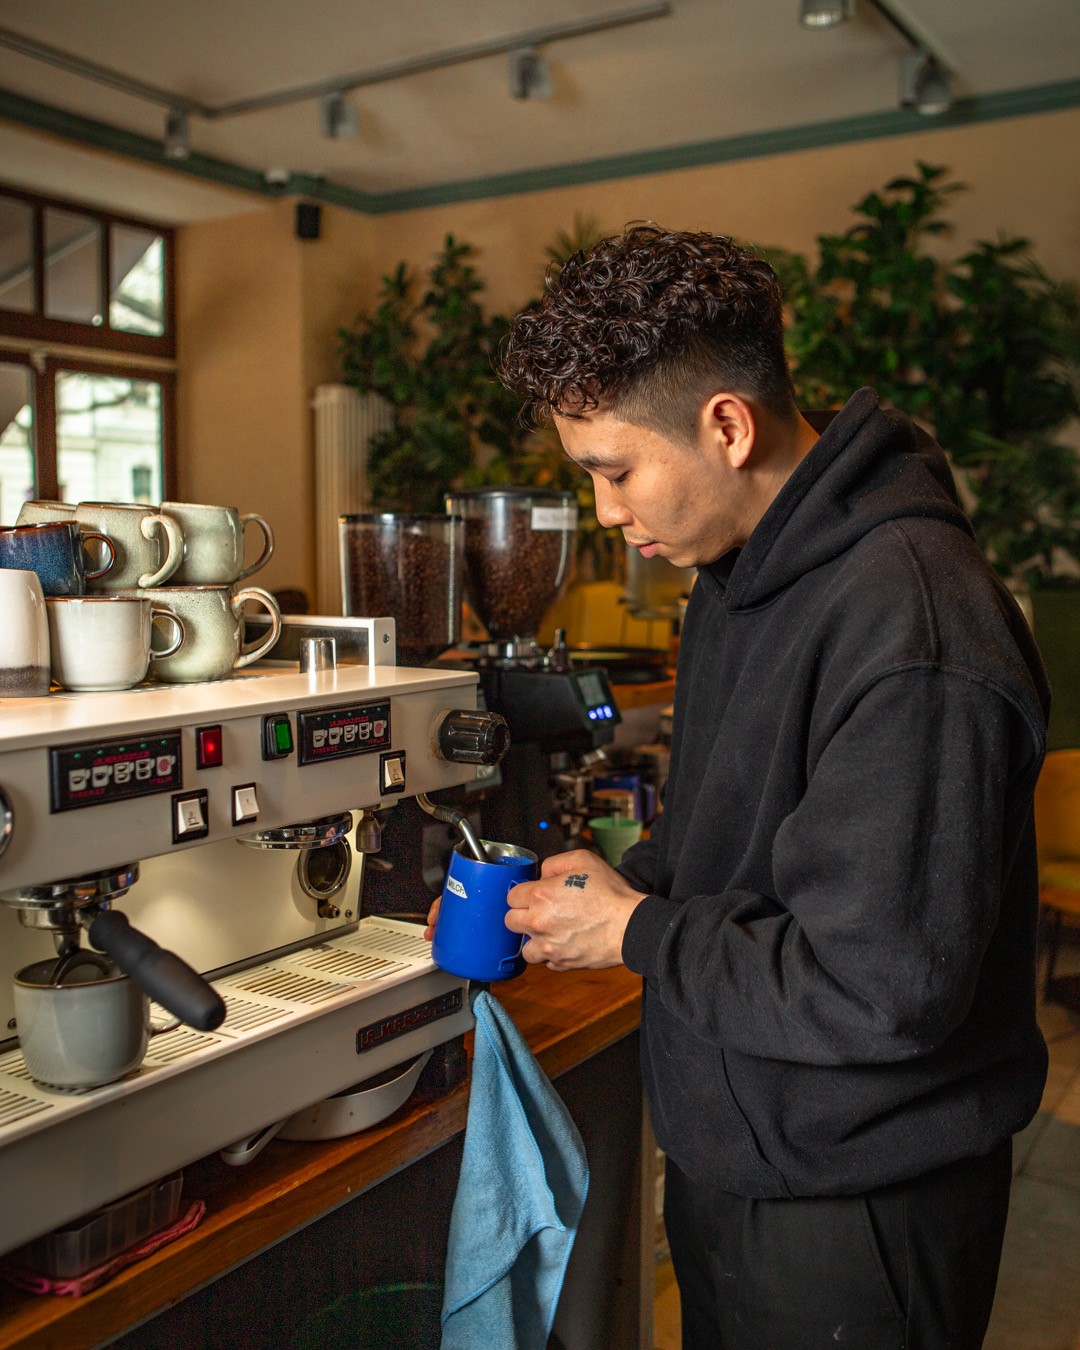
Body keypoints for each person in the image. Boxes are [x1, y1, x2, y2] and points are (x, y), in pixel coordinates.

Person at [470, 224, 1050, 1349]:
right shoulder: (735, 577)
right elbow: (738, 840)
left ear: (726, 427)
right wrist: (624, 884)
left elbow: (878, 987)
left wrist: (640, 936)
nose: (605, 513)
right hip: (741, 1154)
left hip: (863, 1204)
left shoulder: (916, 624)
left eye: (616, 470)